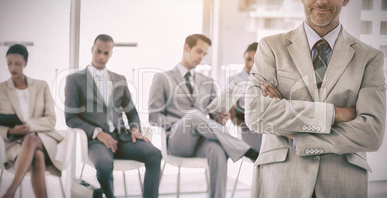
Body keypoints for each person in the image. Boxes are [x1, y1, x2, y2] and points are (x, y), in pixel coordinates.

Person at [244, 0, 386, 197]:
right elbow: (256, 114)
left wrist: (299, 138)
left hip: (342, 182)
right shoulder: (271, 47)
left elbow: (371, 133)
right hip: (280, 180)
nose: (321, 1)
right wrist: (335, 114)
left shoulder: (370, 57)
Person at [148, 34, 259, 198]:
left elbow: (215, 119)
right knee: (193, 115)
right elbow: (154, 116)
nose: (201, 57)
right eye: (198, 51)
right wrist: (183, 122)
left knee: (218, 151)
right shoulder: (162, 79)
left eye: (204, 54)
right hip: (177, 139)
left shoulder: (207, 82)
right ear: (186, 47)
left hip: (202, 140)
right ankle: (246, 150)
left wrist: (222, 116)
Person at [65, 34, 161, 198]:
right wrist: (97, 133)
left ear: (111, 54)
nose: (101, 57)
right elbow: (71, 118)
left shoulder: (119, 80)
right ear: (92, 50)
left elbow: (131, 113)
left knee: (155, 154)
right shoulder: (75, 80)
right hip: (96, 142)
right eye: (98, 51)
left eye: (106, 53)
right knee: (103, 164)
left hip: (122, 138)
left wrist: (135, 129)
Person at [0, 44, 64, 198]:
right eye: (9, 63)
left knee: (32, 137)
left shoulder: (41, 86)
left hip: (44, 141)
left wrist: (29, 126)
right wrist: (10, 131)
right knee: (37, 157)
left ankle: (10, 191)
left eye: (18, 63)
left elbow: (51, 120)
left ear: (26, 63)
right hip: (15, 145)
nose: (13, 68)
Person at [228, 42, 262, 151]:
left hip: (265, 124)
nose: (251, 64)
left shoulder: (264, 80)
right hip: (246, 127)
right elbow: (232, 117)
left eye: (255, 61)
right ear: (244, 55)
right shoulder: (234, 80)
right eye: (248, 59)